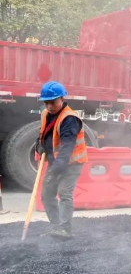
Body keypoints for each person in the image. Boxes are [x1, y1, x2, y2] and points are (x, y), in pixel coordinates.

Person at [37, 81, 87, 240]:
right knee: (47, 194)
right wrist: (39, 145)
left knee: (64, 193)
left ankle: (65, 229)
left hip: (71, 162)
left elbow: (67, 148)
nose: (49, 106)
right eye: (46, 102)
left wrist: (55, 169)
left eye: (53, 102)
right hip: (55, 162)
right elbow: (43, 133)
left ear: (62, 98)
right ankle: (56, 227)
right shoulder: (46, 113)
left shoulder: (69, 119)